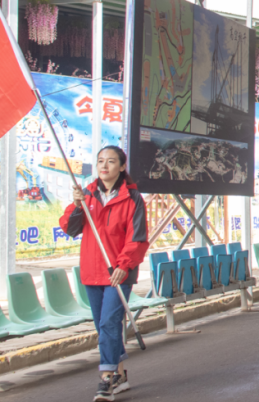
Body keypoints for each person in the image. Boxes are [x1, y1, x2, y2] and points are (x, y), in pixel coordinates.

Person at [59, 146, 148, 402]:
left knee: (109, 323)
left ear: (122, 167)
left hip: (119, 272)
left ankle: (106, 378)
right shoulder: (86, 194)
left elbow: (138, 238)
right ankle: (121, 375)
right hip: (92, 271)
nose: (104, 166)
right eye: (100, 161)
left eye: (111, 161)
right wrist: (77, 206)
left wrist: (124, 265)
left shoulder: (133, 198)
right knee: (104, 326)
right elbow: (70, 228)